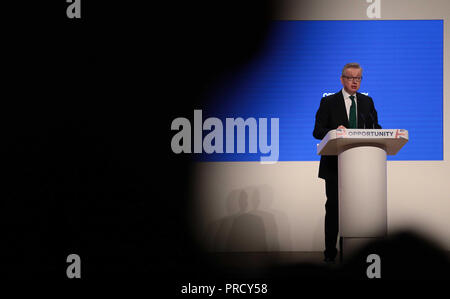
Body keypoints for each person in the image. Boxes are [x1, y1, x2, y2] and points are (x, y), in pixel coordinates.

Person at [313, 63, 381, 263]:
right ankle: (330, 254)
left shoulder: (367, 102)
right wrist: (335, 130)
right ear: (342, 79)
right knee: (333, 208)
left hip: (362, 167)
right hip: (335, 165)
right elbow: (317, 131)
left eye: (358, 78)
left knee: (359, 210)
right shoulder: (328, 102)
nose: (354, 82)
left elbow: (375, 127)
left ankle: (355, 254)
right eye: (350, 78)